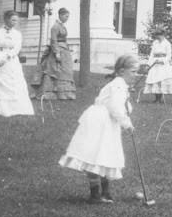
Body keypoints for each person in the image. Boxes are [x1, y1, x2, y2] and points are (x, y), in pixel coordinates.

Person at [58, 54, 138, 203]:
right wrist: (126, 123)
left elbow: (122, 106)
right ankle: (96, 194)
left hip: (103, 121)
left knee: (103, 154)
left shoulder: (118, 84)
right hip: (102, 122)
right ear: (121, 71)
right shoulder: (118, 84)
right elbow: (115, 107)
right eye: (133, 71)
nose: (136, 75)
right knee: (97, 154)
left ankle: (104, 193)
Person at [39, 8, 76, 102]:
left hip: (65, 50)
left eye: (68, 16)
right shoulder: (55, 27)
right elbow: (53, 40)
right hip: (58, 50)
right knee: (56, 70)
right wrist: (57, 53)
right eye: (66, 16)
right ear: (60, 15)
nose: (67, 18)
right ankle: (53, 93)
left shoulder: (62, 26)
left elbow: (64, 39)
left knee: (65, 71)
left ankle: (65, 93)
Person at [143, 32, 172, 104]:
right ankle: (156, 98)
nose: (157, 37)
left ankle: (160, 98)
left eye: (159, 35)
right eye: (157, 35)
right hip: (155, 63)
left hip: (163, 64)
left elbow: (169, 56)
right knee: (154, 80)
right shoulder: (155, 43)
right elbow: (151, 54)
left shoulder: (167, 44)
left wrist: (162, 61)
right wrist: (149, 64)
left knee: (161, 80)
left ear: (163, 35)